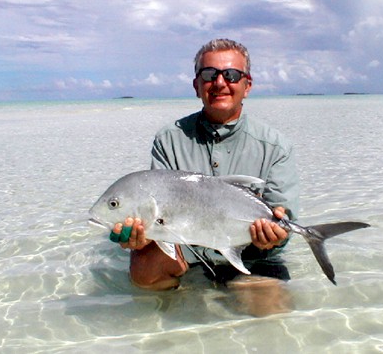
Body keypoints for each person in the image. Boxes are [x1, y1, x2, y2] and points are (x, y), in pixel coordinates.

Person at [111, 38, 300, 295]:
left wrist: (273, 238)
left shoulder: (276, 146)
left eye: (232, 75)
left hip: (253, 257)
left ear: (247, 86)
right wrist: (141, 238)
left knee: (271, 315)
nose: (220, 83)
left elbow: (285, 222)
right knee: (144, 269)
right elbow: (157, 211)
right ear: (196, 85)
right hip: (187, 254)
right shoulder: (169, 140)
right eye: (209, 74)